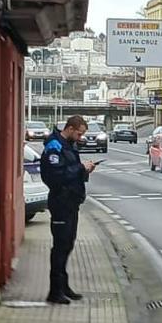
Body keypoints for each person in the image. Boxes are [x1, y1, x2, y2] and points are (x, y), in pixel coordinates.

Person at [39, 115, 96, 305]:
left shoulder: (70, 145)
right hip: (60, 201)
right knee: (60, 246)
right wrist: (80, 168)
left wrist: (84, 170)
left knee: (68, 244)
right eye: (79, 134)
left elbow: (71, 170)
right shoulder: (54, 146)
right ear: (70, 128)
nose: (80, 138)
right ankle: (55, 291)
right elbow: (56, 176)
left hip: (71, 201)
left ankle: (63, 286)